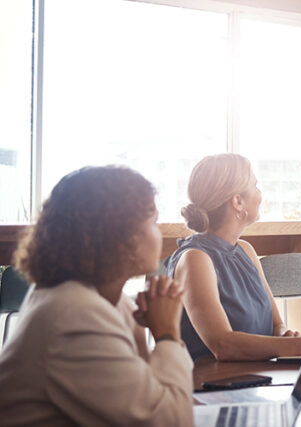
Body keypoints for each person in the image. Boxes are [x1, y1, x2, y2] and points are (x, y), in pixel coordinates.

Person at [0, 166, 193, 426]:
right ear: (119, 235)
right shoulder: (75, 314)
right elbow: (169, 421)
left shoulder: (106, 301)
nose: (159, 233)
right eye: (153, 222)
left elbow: (146, 391)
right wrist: (168, 334)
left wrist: (143, 331)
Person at [168, 153, 301, 361]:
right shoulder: (195, 259)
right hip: (213, 385)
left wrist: (284, 335)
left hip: (257, 378)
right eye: (256, 186)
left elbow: (277, 324)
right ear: (238, 202)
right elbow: (223, 345)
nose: (260, 195)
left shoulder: (245, 250)